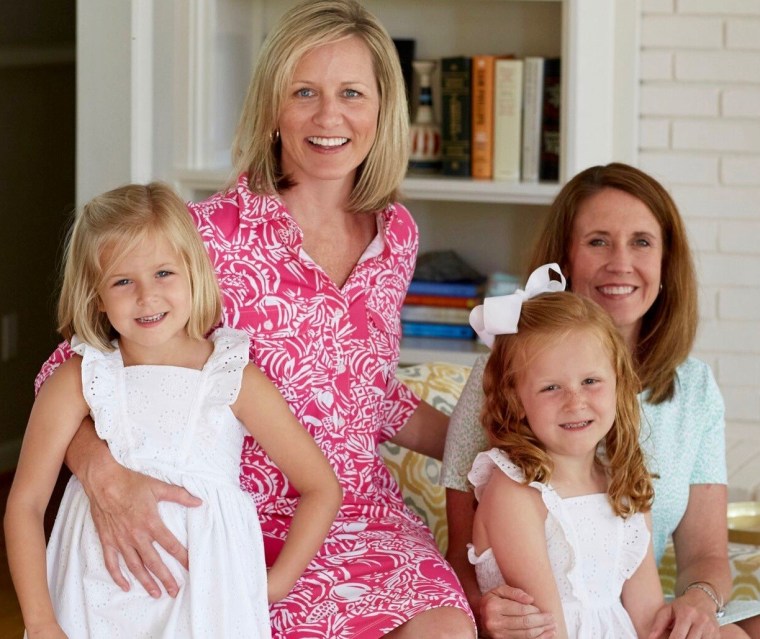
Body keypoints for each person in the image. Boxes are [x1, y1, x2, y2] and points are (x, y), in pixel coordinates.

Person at [33, 2, 475, 637]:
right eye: (305, 92)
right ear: (273, 108)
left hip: (358, 516)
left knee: (448, 631)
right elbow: (70, 370)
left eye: (352, 92)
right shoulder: (201, 236)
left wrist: (490, 438)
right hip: (225, 522)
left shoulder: (396, 235)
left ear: (383, 108)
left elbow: (366, 393)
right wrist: (103, 474)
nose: (330, 116)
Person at [6, 182, 342, 638]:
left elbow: (321, 486)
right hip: (92, 602)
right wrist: (41, 620)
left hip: (208, 604)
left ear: (193, 273)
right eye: (123, 281)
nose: (147, 296)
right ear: (96, 295)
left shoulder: (233, 376)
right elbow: (25, 504)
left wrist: (273, 584)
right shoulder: (78, 379)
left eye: (164, 273)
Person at [442, 163, 760, 639]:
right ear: (565, 258)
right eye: (597, 241)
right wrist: (483, 610)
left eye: (642, 242)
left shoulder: (686, 395)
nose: (621, 263)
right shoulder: (501, 375)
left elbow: (703, 559)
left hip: (627, 617)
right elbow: (464, 552)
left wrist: (700, 603)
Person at [467, 265, 663, 638]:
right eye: (551, 388)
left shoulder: (623, 484)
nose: (576, 402)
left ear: (618, 385)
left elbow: (649, 615)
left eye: (591, 381)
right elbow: (545, 625)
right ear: (516, 399)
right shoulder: (515, 492)